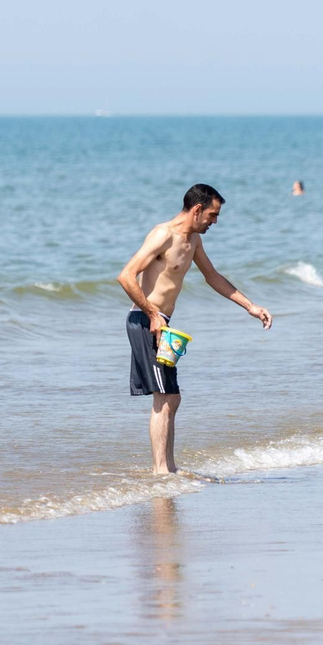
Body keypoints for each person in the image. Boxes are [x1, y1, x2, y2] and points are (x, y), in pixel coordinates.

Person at [117, 183, 273, 474]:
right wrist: (152, 314)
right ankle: (160, 471)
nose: (215, 221)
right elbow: (126, 276)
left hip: (163, 325)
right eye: (213, 215)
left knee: (172, 397)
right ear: (197, 209)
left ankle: (170, 468)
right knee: (163, 396)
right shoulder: (163, 234)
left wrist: (250, 306)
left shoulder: (193, 242)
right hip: (145, 322)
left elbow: (212, 276)